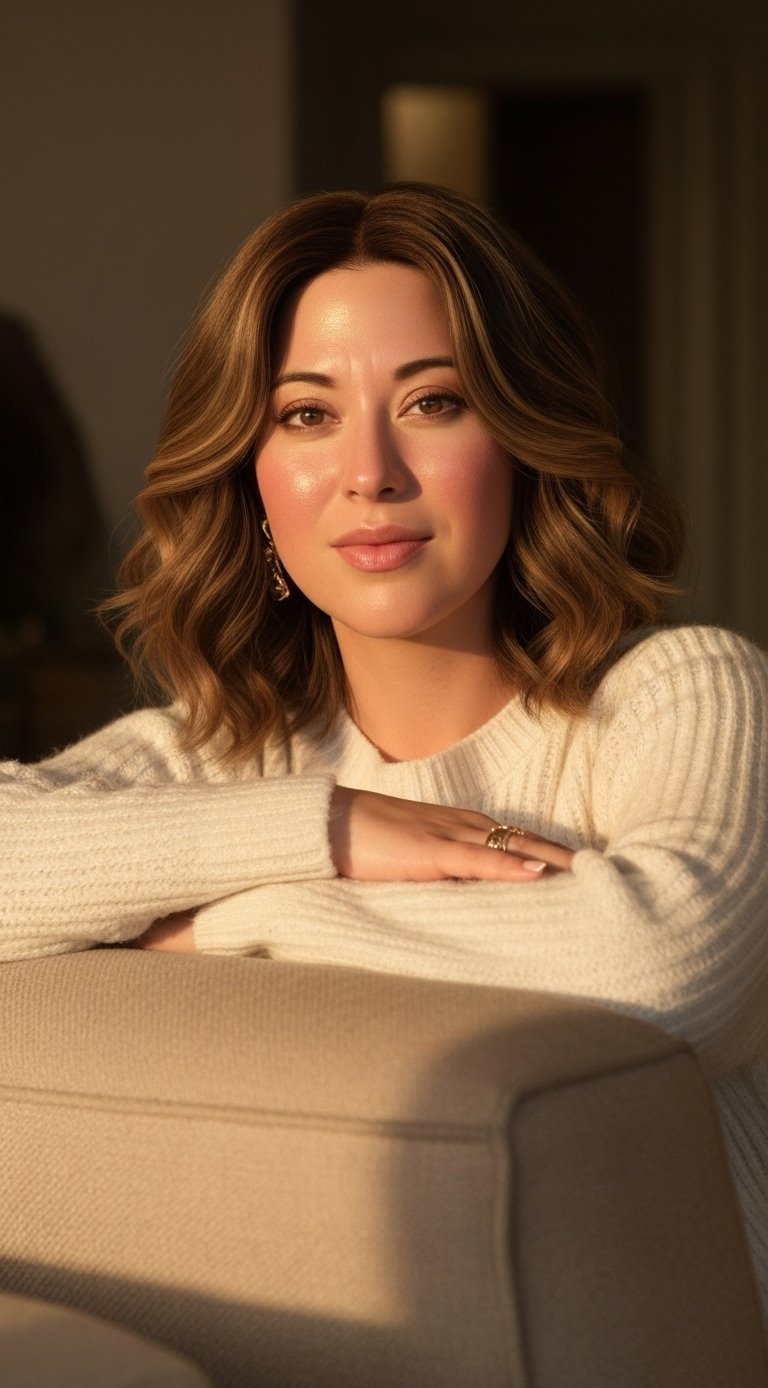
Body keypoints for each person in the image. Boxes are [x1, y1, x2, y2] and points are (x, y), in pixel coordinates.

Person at [1, 183, 767, 1312]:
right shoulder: (219, 748)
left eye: (434, 402)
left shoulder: (681, 692)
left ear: (521, 440)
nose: (371, 471)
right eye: (307, 414)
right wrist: (332, 827)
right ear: (252, 482)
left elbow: (668, 971)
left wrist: (238, 925)